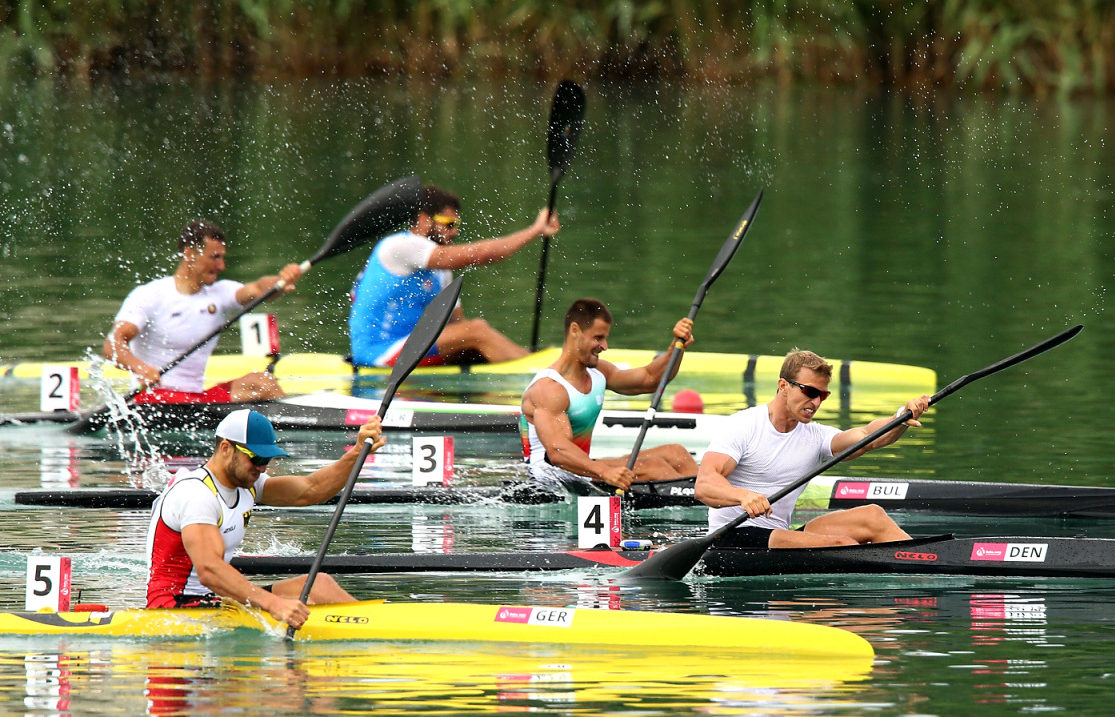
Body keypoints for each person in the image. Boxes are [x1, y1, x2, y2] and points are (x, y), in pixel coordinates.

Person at [145, 408, 383, 629]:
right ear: (226, 448)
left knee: (320, 585)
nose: (262, 468)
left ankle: (378, 625)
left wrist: (356, 453)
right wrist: (273, 604)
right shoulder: (196, 494)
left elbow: (311, 489)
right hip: (173, 608)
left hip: (214, 600)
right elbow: (210, 570)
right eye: (256, 458)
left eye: (266, 460)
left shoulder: (247, 484)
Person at [695, 348, 931, 548]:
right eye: (810, 392)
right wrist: (743, 496)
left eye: (823, 395)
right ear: (783, 386)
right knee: (842, 544)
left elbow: (868, 437)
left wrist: (901, 418)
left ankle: (927, 559)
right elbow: (704, 485)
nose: (816, 402)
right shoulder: (743, 426)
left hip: (778, 536)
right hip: (731, 537)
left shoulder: (815, 436)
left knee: (873, 516)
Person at [348, 184, 559, 367]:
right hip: (376, 352)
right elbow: (482, 255)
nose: (455, 232)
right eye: (448, 224)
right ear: (423, 220)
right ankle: (541, 374)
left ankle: (521, 370)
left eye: (456, 225)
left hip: (410, 349)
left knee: (474, 342)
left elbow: (457, 327)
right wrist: (536, 230)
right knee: (478, 330)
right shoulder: (399, 246)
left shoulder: (441, 271)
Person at [104, 219, 303, 404]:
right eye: (215, 257)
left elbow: (259, 289)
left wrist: (280, 281)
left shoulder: (220, 294)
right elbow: (112, 344)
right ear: (190, 254)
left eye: (222, 258)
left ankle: (300, 418)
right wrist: (141, 369)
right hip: (155, 399)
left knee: (262, 382)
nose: (221, 266)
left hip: (196, 400)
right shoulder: (150, 295)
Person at [520, 298, 699, 491]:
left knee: (676, 454)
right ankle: (696, 500)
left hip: (583, 469)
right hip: (552, 480)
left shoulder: (598, 372)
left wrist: (676, 347)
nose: (605, 346)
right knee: (655, 468)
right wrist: (605, 472)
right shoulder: (548, 389)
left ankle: (704, 495)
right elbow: (558, 452)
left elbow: (650, 379)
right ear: (575, 330)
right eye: (598, 338)